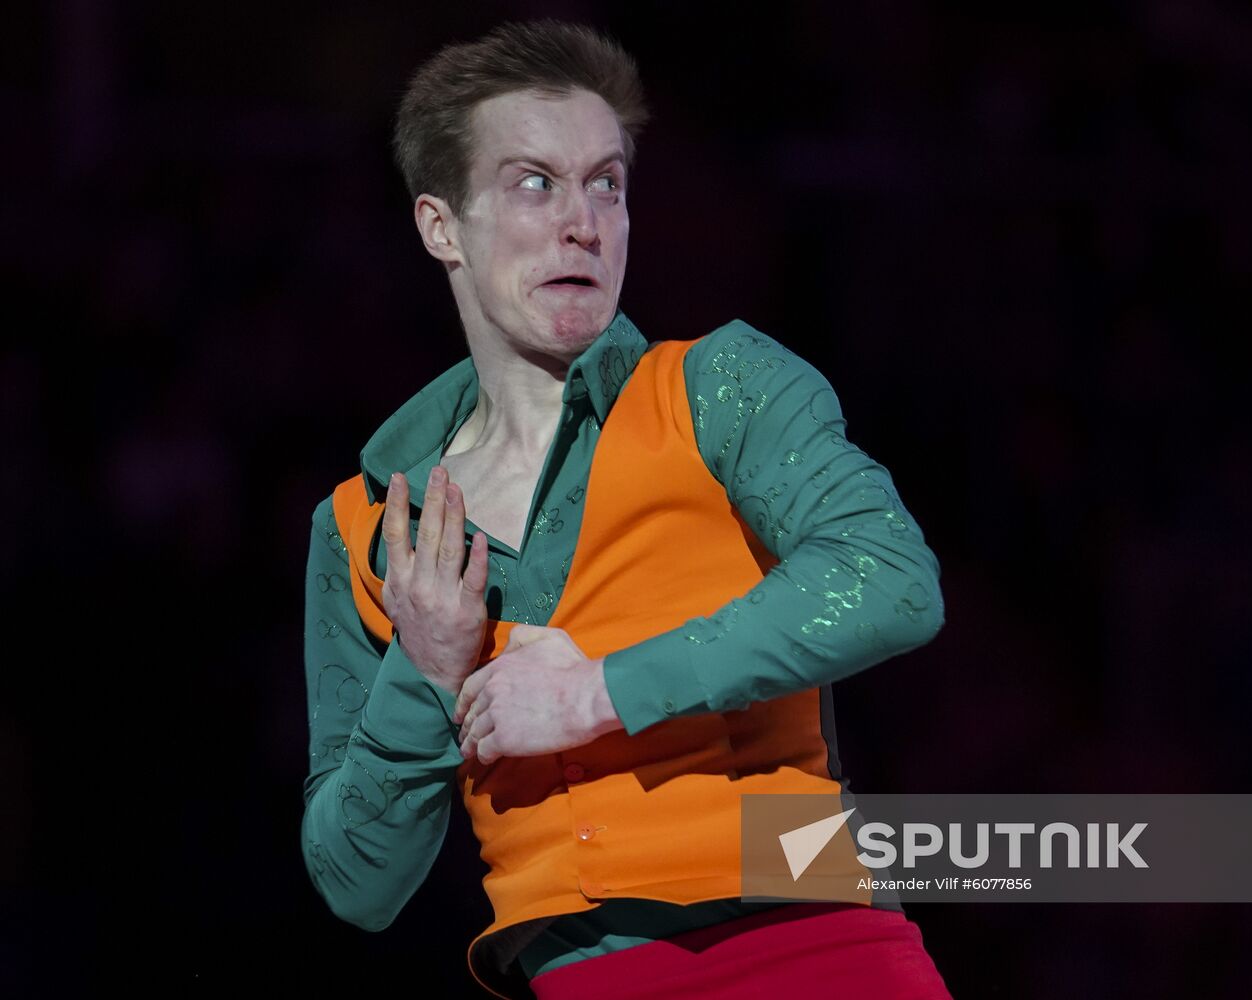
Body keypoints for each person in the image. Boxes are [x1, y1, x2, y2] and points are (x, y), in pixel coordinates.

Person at [300, 18, 951, 1000]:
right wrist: (425, 669)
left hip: (813, 949)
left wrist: (597, 691)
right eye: (534, 183)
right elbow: (356, 882)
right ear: (443, 227)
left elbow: (888, 579)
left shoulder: (718, 387)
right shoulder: (362, 524)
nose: (583, 221)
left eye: (605, 182)